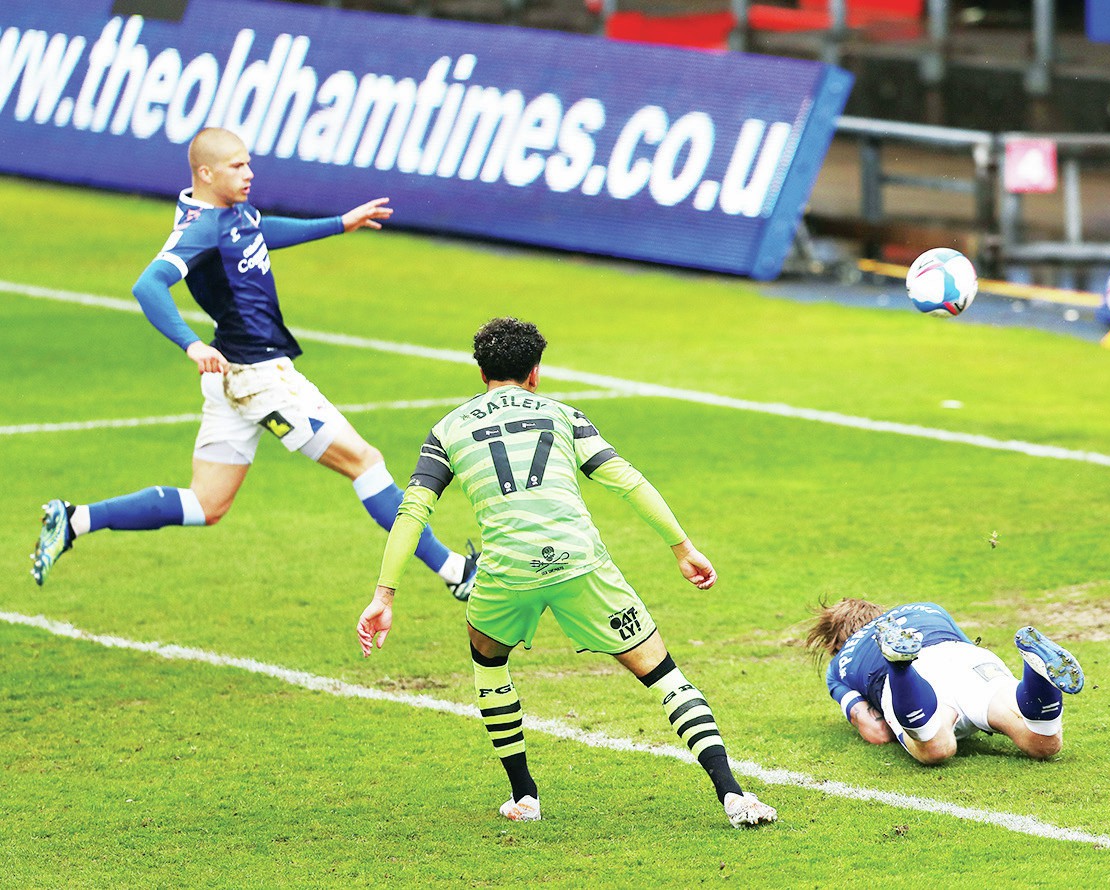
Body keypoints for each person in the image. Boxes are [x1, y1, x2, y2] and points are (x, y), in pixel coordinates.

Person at [356, 316, 777, 829]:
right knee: (664, 674)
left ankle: (524, 797)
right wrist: (682, 547)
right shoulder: (563, 415)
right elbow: (627, 480)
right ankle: (733, 795)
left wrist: (384, 595)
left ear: (481, 372)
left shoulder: (447, 430)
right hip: (580, 563)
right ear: (535, 372)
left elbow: (413, 510)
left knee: (489, 661)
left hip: (507, 572)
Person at [29, 127, 476, 599]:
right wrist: (191, 345)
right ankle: (456, 573)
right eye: (237, 166)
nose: (249, 173)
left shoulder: (234, 211)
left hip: (234, 378)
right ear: (206, 173)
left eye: (248, 163)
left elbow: (259, 233)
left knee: (206, 504)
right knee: (365, 462)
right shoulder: (200, 227)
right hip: (261, 381)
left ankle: (74, 519)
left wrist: (338, 223)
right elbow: (148, 285)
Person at [805, 598, 1085, 764]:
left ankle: (900, 669)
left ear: (835, 642)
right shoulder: (927, 609)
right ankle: (1036, 673)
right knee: (1043, 743)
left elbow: (877, 732)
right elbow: (964, 653)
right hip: (966, 659)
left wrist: (892, 717)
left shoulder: (839, 664)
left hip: (921, 675)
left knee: (936, 747)